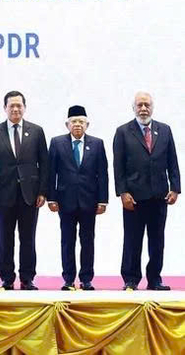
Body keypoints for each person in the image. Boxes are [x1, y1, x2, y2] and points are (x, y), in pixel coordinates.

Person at [113, 91, 180, 291]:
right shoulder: (123, 131)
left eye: (147, 105)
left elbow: (172, 162)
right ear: (133, 108)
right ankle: (131, 279)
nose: (143, 109)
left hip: (159, 196)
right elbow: (118, 166)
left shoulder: (165, 130)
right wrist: (122, 192)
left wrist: (175, 188)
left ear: (152, 107)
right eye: (140, 105)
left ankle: (155, 279)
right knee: (132, 240)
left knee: (157, 240)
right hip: (133, 197)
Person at [0, 90, 48, 290]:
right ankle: (7, 278)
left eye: (19, 105)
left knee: (28, 238)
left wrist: (42, 192)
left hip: (30, 194)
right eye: (11, 105)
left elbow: (44, 164)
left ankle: (27, 278)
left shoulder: (36, 131)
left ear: (24, 107)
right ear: (5, 108)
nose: (15, 109)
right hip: (3, 195)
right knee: (5, 238)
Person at [47, 105, 108, 291]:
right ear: (67, 124)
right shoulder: (57, 143)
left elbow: (102, 174)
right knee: (67, 240)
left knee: (88, 240)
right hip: (65, 201)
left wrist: (103, 200)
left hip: (89, 201)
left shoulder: (97, 144)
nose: (78, 125)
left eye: (81, 121)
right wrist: (51, 198)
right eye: (74, 121)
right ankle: (68, 279)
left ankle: (86, 279)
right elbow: (51, 173)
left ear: (87, 124)